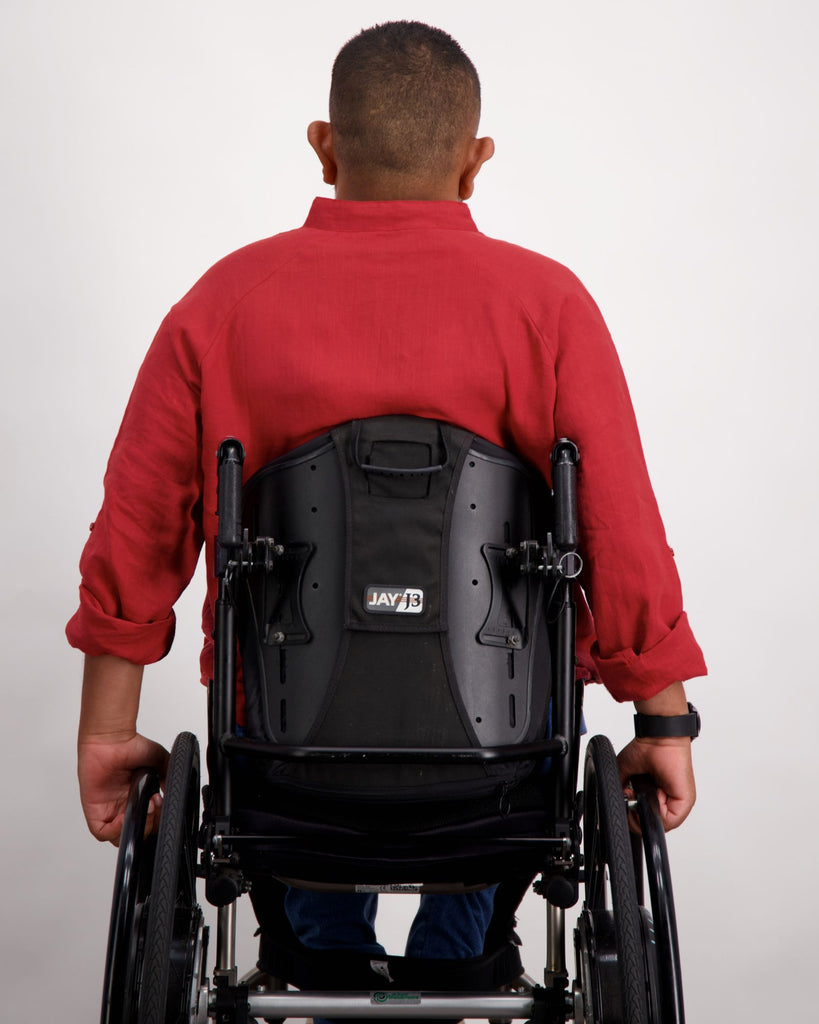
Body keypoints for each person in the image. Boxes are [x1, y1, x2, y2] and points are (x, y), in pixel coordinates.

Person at [68, 20, 706, 967]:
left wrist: (108, 732)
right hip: (497, 781)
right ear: (475, 161)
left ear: (323, 145)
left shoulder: (222, 304)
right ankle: (466, 947)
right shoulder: (548, 308)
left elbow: (138, 528)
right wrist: (661, 720)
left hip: (280, 770)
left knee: (288, 762)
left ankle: (315, 952)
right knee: (511, 722)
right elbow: (617, 526)